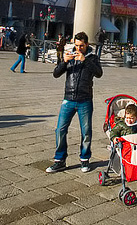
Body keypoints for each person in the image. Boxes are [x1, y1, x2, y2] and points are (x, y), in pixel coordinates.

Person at [46, 31, 103, 173]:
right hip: (68, 99)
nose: (78, 49)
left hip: (85, 99)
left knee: (86, 132)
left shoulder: (93, 58)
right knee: (60, 129)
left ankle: (84, 160)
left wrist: (85, 60)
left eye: (81, 46)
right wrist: (64, 62)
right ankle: (59, 160)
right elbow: (56, 74)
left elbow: (99, 73)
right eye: (76, 45)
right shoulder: (69, 56)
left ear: (87, 44)